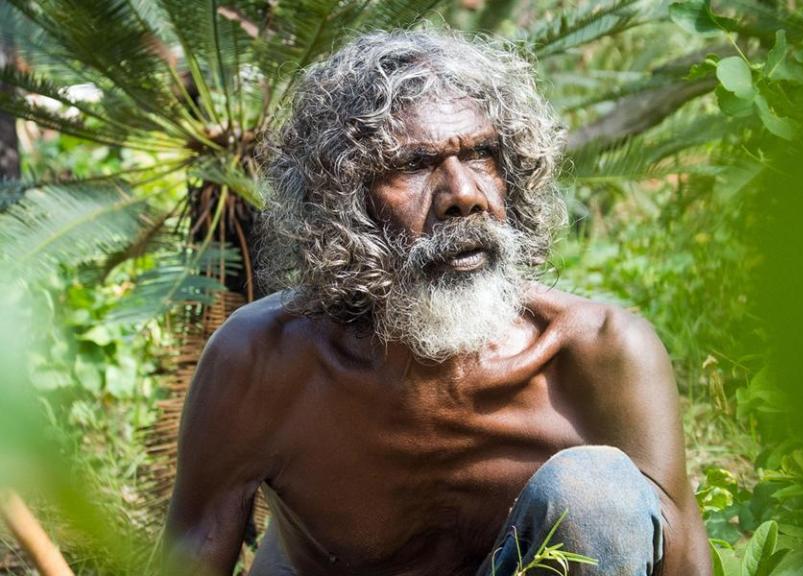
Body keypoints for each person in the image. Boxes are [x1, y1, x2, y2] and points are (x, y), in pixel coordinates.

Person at [162, 29, 711, 576]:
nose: (463, 194)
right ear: (340, 198)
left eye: (482, 155)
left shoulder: (600, 355)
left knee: (596, 493)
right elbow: (192, 553)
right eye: (413, 165)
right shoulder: (261, 359)